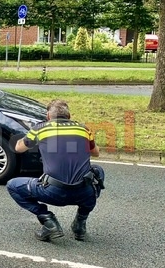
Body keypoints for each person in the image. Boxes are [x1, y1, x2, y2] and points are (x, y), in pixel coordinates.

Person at [6, 99, 105, 242]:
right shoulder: (84, 129)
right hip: (83, 193)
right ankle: (80, 223)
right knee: (98, 171)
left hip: (53, 193)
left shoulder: (40, 129)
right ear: (69, 116)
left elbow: (18, 148)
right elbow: (96, 153)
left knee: (13, 186)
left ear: (48, 116)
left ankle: (48, 220)